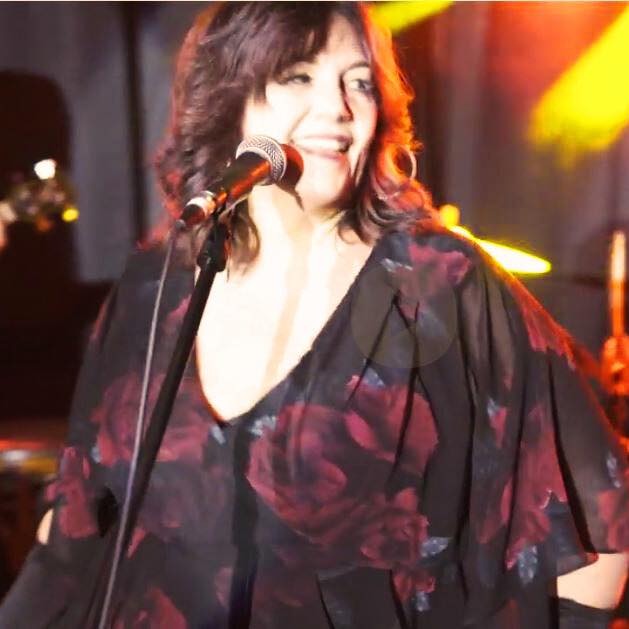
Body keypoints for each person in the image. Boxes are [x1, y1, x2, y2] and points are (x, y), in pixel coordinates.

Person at [1, 3, 629, 628]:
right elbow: (73, 528)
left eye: (359, 83)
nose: (338, 108)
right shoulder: (154, 288)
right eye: (298, 76)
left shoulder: (438, 285)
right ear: (229, 99)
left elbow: (600, 534)